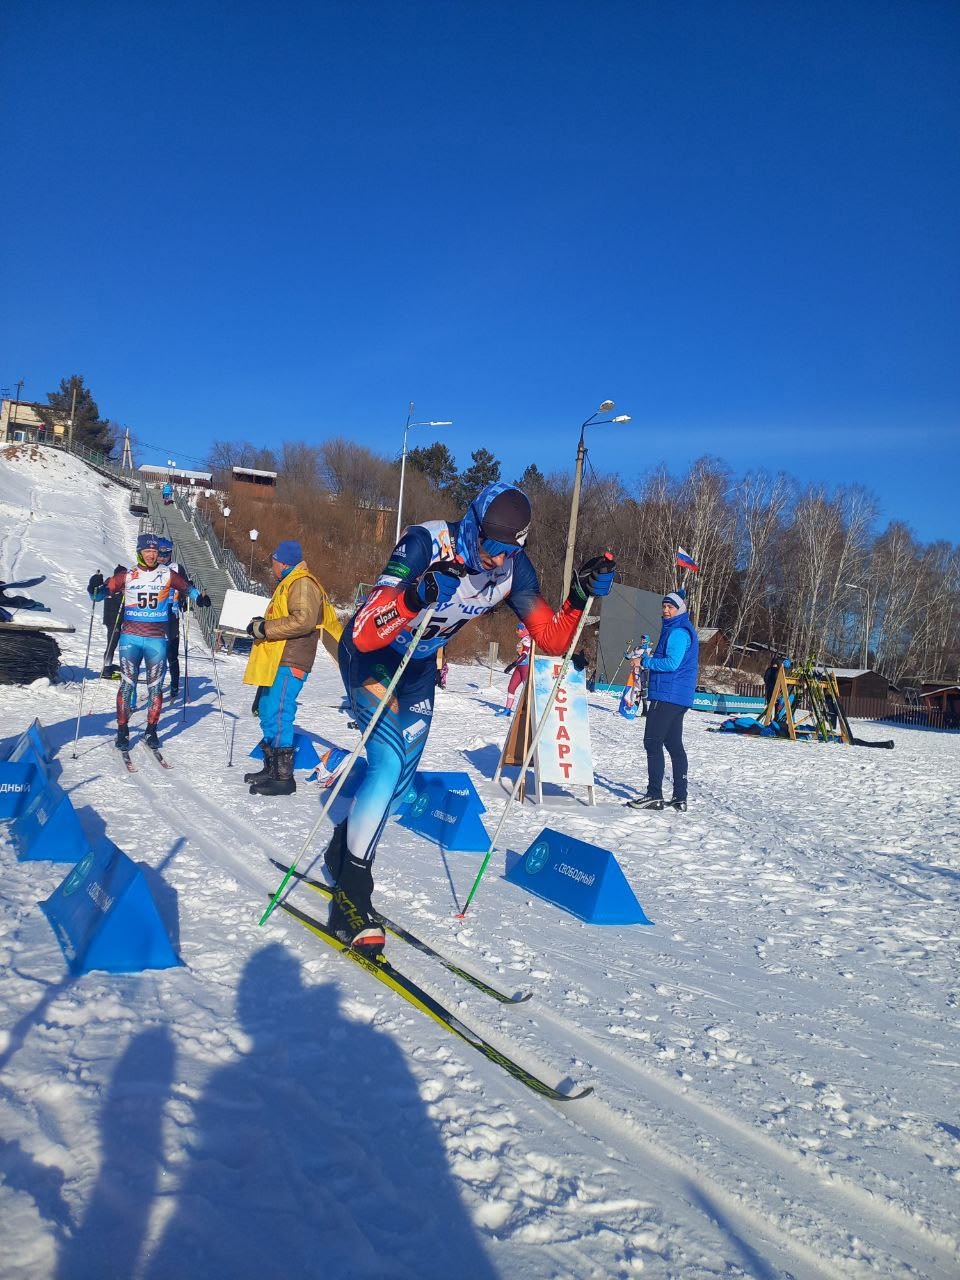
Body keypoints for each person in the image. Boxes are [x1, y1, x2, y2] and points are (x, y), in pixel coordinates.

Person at [323, 481, 615, 954]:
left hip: (418, 667)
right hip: (373, 659)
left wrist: (579, 595)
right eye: (492, 548)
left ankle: (344, 848)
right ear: (474, 524)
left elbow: (554, 640)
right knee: (388, 762)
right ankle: (351, 897)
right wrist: (413, 597)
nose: (498, 561)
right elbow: (362, 631)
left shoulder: (512, 571)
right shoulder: (424, 544)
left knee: (399, 786)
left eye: (510, 552)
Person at [87, 534, 209, 752]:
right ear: (139, 552)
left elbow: (188, 589)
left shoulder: (167, 574)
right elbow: (98, 596)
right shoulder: (128, 575)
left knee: (155, 688)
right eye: (147, 551)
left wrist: (200, 597)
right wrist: (94, 588)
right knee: (127, 684)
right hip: (130, 638)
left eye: (155, 552)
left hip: (156, 639)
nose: (152, 555)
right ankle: (122, 731)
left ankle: (151, 730)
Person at [242, 539, 324, 797]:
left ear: (284, 562)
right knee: (267, 710)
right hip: (278, 659)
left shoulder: (302, 583)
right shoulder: (289, 583)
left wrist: (265, 628)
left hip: (291, 660)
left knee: (279, 712)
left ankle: (283, 777)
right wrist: (262, 623)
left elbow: (304, 620)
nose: (272, 566)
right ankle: (272, 768)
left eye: (274, 561)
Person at [627, 590, 699, 812]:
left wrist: (645, 662)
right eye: (664, 606)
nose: (666, 610)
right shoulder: (678, 630)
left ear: (680, 610)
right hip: (678, 696)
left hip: (667, 695)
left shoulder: (678, 632)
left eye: (671, 607)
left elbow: (672, 664)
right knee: (673, 745)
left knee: (652, 741)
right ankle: (680, 796)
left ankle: (654, 794)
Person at [156, 537, 195, 699]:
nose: (162, 558)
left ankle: (174, 685)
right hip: (156, 615)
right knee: (156, 653)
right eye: (160, 554)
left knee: (171, 654)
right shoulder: (152, 568)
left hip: (172, 615)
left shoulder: (177, 568)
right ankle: (156, 686)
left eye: (166, 554)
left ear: (171, 553)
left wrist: (185, 599)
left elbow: (185, 586)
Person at [497, 622, 532, 715]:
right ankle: (507, 710)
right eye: (517, 629)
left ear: (524, 629)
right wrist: (514, 664)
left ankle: (531, 712)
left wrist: (513, 664)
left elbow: (524, 655)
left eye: (518, 629)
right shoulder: (522, 639)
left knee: (528, 690)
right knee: (511, 687)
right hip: (519, 667)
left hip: (526, 667)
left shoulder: (527, 639)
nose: (516, 631)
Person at [100, 564, 126, 678]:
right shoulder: (113, 586)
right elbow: (115, 600)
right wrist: (122, 595)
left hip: (114, 618)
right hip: (113, 619)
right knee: (112, 643)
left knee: (113, 643)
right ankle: (106, 669)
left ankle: (108, 666)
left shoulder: (111, 583)